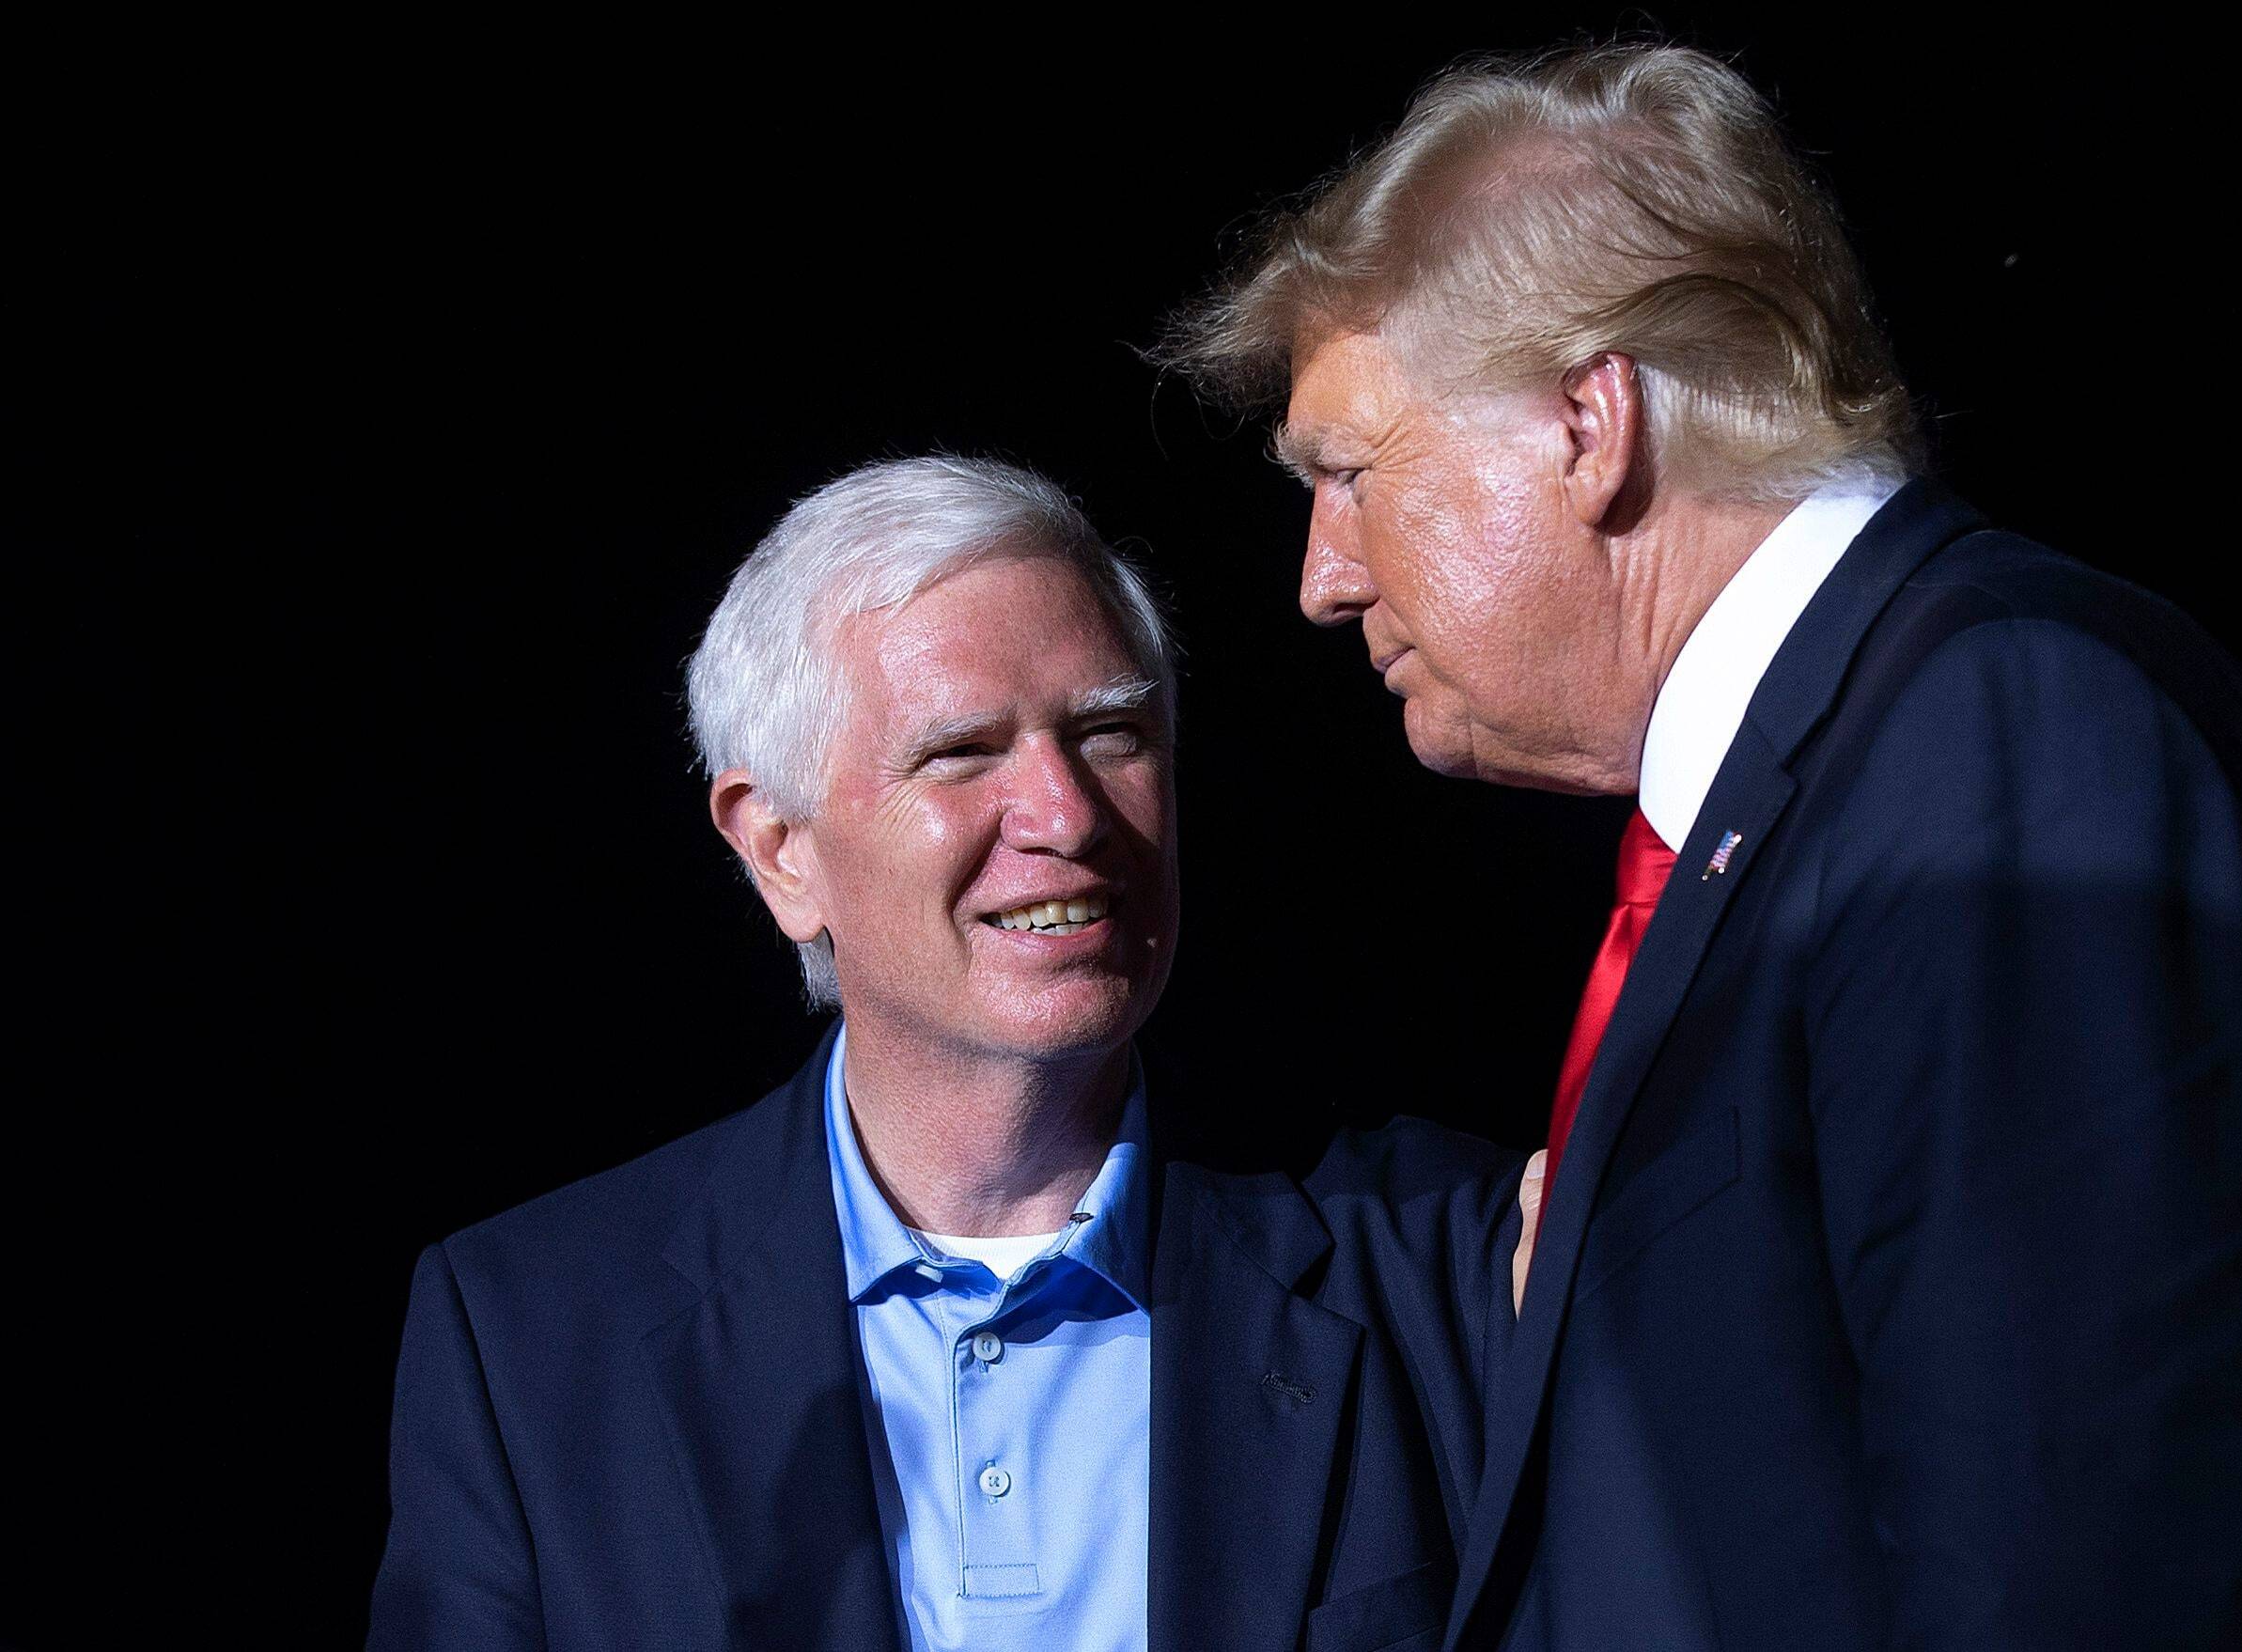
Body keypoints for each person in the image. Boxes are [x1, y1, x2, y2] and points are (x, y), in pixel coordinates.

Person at [1160, 40, 2242, 1650]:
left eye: (1352, 476)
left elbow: (2080, 1572)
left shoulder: (1994, 741)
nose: (1322, 579)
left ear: (1589, 423)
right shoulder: (1822, 790)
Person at [366, 457, 1523, 1652]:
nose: (1066, 816)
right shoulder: (535, 1338)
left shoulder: (1444, 1259)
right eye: (962, 753)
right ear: (779, 851)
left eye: (1111, 732)